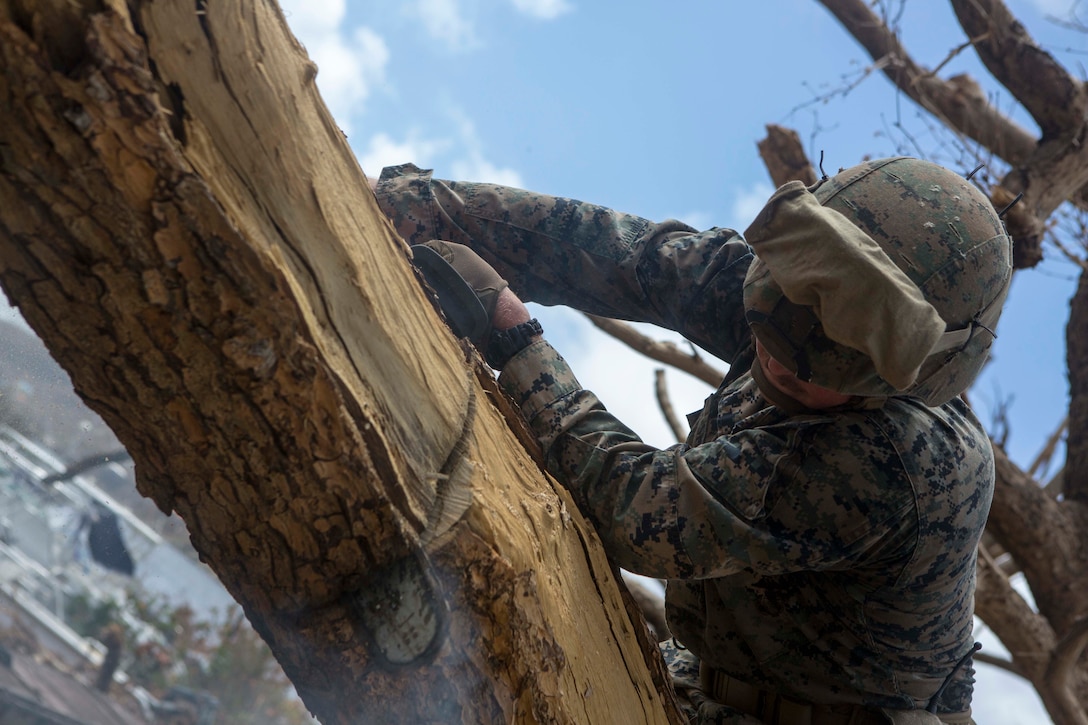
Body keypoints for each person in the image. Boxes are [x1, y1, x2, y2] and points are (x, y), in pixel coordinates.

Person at [371, 157, 1012, 725]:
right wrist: (426, 208)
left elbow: (642, 512)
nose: (788, 353)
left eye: (838, 353)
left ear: (918, 375)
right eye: (793, 298)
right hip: (706, 683)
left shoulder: (906, 463)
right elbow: (620, 254)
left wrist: (513, 336)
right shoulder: (803, 275)